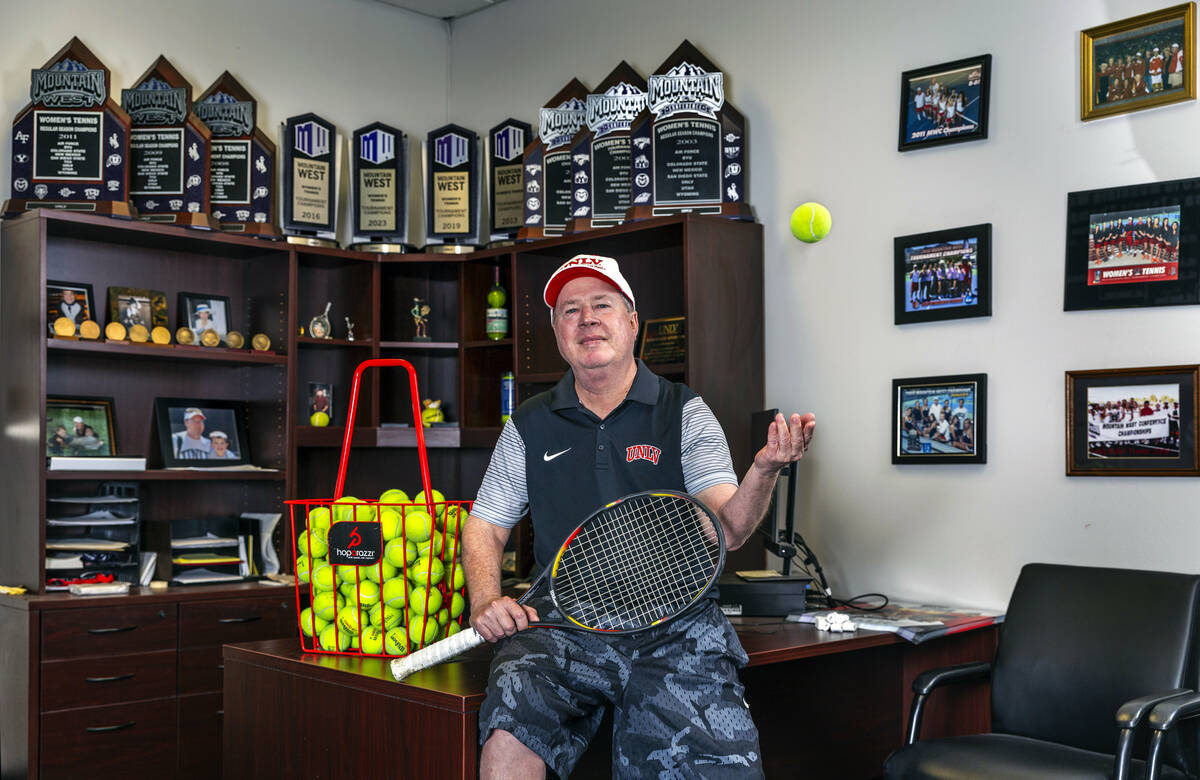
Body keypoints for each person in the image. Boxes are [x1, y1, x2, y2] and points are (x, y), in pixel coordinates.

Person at [463, 254, 816, 780]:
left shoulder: (684, 410)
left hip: (677, 626)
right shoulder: (528, 424)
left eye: (602, 305)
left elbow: (729, 527)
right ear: (559, 334)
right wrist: (486, 598)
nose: (587, 319)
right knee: (508, 730)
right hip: (562, 625)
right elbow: (486, 524)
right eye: (570, 310)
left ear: (632, 322)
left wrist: (763, 470)